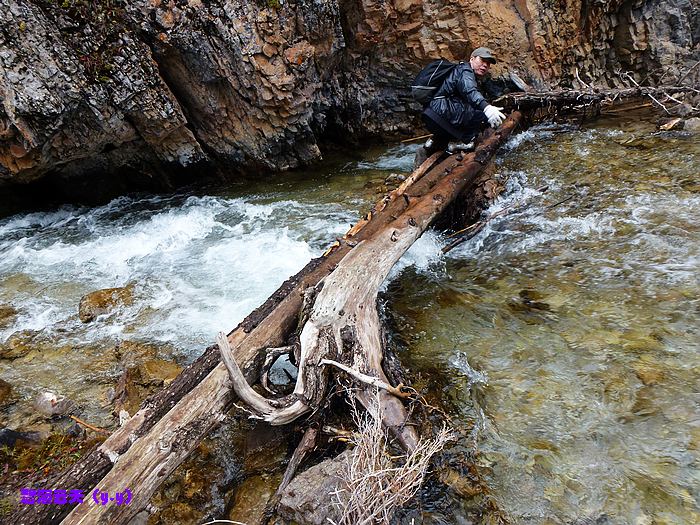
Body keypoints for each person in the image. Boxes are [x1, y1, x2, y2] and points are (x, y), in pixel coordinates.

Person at [417, 47, 507, 163]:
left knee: (469, 109)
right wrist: (487, 108)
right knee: (481, 116)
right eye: (482, 60)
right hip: (440, 113)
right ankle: (466, 143)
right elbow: (470, 91)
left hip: (431, 116)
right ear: (472, 59)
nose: (485, 65)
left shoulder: (460, 70)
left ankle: (435, 142)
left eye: (488, 63)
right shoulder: (465, 71)